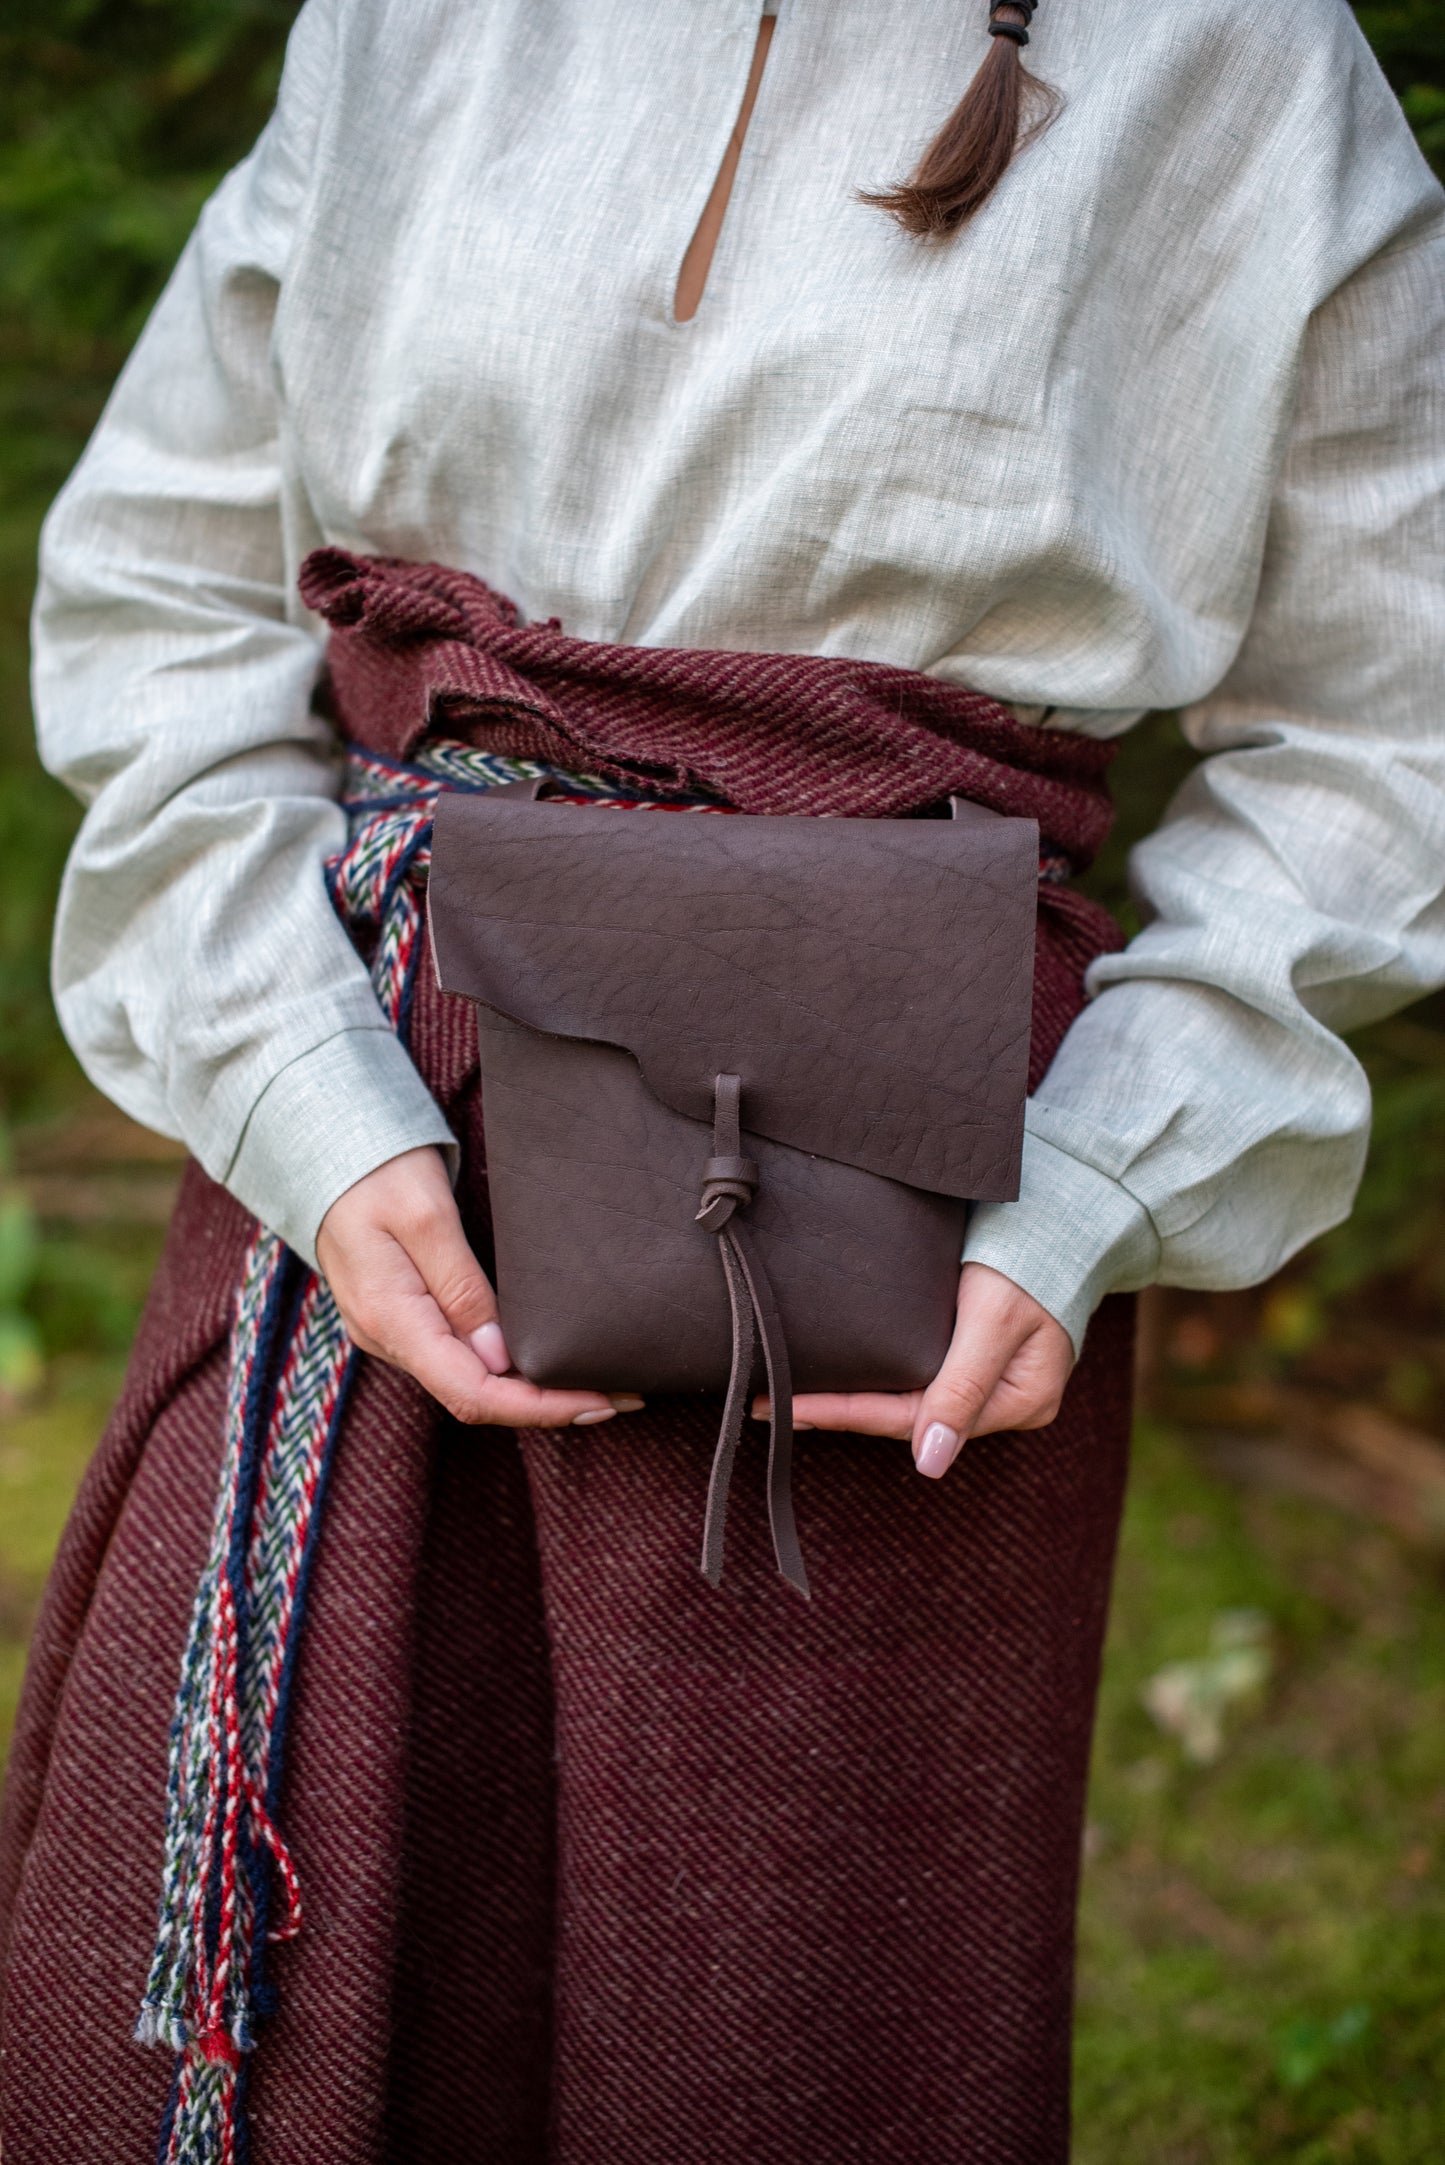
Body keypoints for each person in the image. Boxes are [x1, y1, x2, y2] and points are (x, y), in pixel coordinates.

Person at [2, 1, 1443, 2159]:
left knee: (773, 2040)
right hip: (377, 1165)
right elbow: (164, 596)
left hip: (895, 1228)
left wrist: (1088, 1190)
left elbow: (1388, 732)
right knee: (242, 1976)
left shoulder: (1234, 54)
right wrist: (302, 1090)